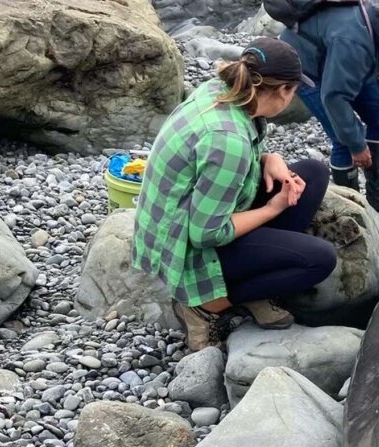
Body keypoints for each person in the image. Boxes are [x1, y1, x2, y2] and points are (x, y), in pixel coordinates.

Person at [132, 37, 337, 352]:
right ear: (283, 91)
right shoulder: (228, 141)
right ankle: (205, 306)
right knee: (319, 261)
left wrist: (271, 160)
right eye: (294, 89)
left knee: (313, 172)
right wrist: (271, 209)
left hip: (194, 213)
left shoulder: (223, 90)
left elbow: (226, 163)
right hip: (185, 247)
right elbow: (205, 234)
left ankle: (254, 269)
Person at [281, 0, 379, 225]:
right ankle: (352, 208)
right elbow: (334, 97)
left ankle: (378, 198)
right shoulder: (353, 40)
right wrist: (357, 145)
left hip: (346, 64)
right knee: (343, 138)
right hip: (312, 70)